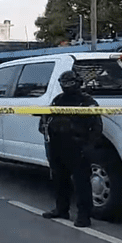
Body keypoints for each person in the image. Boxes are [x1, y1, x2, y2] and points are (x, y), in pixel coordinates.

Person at [39, 70, 102, 228]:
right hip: (58, 145)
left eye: (70, 83)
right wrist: (45, 127)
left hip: (78, 146)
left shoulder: (86, 101)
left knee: (81, 184)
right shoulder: (58, 100)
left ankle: (84, 215)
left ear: (78, 82)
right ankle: (61, 209)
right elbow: (45, 118)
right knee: (59, 180)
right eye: (64, 83)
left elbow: (97, 126)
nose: (67, 86)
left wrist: (88, 146)